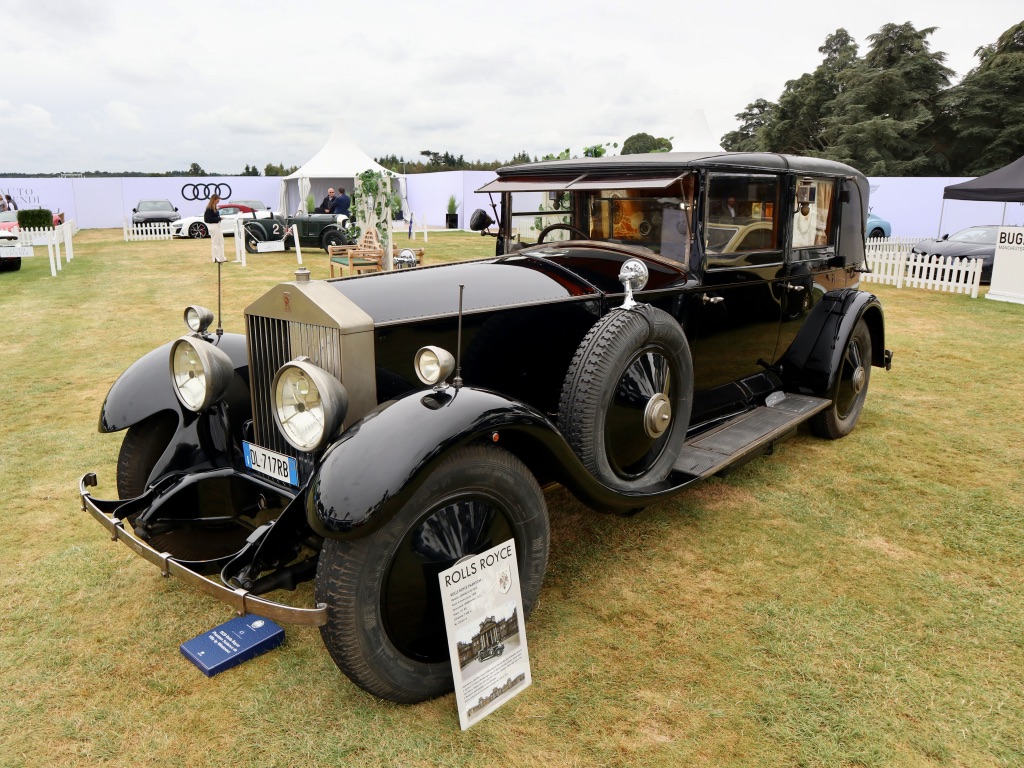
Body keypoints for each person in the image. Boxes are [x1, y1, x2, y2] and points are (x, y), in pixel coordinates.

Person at [205, 194, 226, 263]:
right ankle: (216, 258)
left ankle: (222, 257)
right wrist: (219, 218)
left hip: (217, 225)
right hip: (213, 226)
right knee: (215, 242)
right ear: (214, 200)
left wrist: (219, 218)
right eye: (217, 201)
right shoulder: (209, 209)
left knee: (221, 241)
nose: (218, 202)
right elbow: (208, 219)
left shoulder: (214, 208)